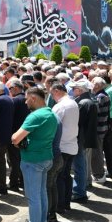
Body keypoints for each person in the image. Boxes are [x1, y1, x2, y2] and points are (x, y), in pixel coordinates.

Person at [11, 86, 57, 222]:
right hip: (46, 157)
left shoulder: (35, 116)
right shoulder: (50, 113)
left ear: (34, 98)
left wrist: (15, 140)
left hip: (33, 160)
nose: (25, 102)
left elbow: (16, 138)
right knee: (41, 193)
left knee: (33, 196)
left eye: (26, 98)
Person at [50, 83, 78, 214]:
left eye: (51, 93)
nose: (51, 96)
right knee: (66, 176)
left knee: (60, 177)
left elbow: (53, 125)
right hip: (71, 144)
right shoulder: (72, 103)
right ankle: (65, 203)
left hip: (62, 146)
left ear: (56, 91)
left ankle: (60, 205)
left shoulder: (61, 105)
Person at [69, 79, 97, 203]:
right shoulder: (88, 100)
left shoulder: (83, 102)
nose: (72, 90)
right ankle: (80, 190)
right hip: (84, 138)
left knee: (79, 166)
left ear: (80, 90)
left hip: (80, 139)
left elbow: (77, 122)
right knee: (81, 165)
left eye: (74, 88)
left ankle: (79, 192)